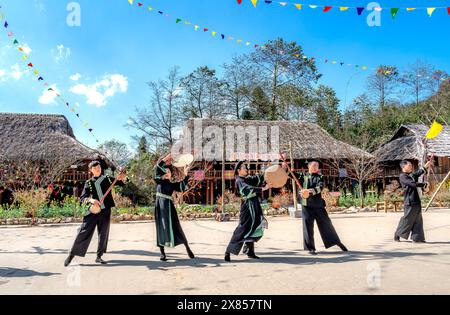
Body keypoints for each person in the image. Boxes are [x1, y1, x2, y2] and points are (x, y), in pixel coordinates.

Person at [64, 160, 126, 266]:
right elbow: (83, 197)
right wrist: (92, 200)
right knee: (83, 231)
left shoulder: (107, 178)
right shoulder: (88, 182)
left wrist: (122, 176)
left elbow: (121, 183)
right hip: (93, 211)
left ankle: (99, 256)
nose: (98, 169)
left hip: (105, 210)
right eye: (95, 168)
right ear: (91, 170)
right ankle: (72, 254)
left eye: (99, 168)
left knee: (103, 233)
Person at [289, 161, 348, 255]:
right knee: (307, 226)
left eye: (317, 166)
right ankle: (310, 248)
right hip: (306, 205)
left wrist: (309, 191)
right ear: (309, 167)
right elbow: (292, 174)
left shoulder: (320, 177)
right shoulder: (302, 176)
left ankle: (337, 242)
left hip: (318, 205)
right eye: (314, 165)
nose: (316, 167)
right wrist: (286, 168)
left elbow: (320, 188)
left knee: (327, 224)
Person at [224, 161, 272, 262]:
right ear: (239, 170)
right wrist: (263, 188)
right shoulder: (239, 180)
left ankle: (250, 252)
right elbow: (247, 189)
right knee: (242, 229)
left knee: (254, 227)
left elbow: (258, 177)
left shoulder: (247, 179)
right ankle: (228, 251)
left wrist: (269, 170)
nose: (247, 169)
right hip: (247, 207)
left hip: (254, 205)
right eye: (244, 168)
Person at [154, 154, 195, 261]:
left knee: (176, 227)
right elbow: (159, 165)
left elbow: (181, 187)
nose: (167, 173)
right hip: (160, 207)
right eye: (165, 171)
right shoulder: (159, 180)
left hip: (169, 207)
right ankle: (162, 253)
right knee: (161, 228)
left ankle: (187, 248)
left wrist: (186, 175)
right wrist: (170, 155)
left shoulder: (172, 185)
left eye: (169, 172)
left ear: (171, 174)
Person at [394, 159, 432, 243]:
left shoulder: (411, 175)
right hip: (409, 201)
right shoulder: (403, 176)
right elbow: (413, 184)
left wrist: (426, 165)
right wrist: (424, 184)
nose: (411, 166)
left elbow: (419, 172)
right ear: (404, 167)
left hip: (416, 200)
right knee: (407, 219)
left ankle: (417, 238)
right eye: (409, 165)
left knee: (418, 220)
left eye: (411, 165)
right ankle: (397, 234)